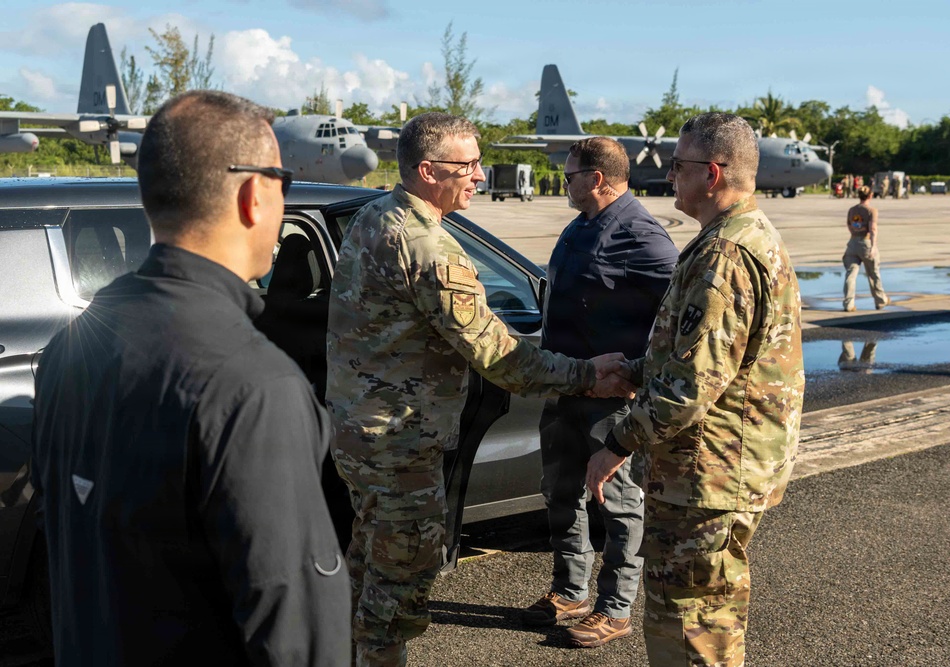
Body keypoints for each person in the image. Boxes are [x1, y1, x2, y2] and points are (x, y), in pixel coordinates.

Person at [31, 90, 351, 666]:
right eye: (285, 179)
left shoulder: (68, 348)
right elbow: (297, 631)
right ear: (255, 194)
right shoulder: (252, 384)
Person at [326, 112, 633, 666]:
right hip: (402, 443)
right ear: (426, 170)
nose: (479, 176)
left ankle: (346, 651)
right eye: (466, 166)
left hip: (359, 432)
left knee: (368, 560)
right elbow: (499, 355)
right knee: (400, 583)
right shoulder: (430, 248)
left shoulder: (374, 215)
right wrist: (589, 374)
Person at [585, 112, 805, 667]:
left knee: (690, 630)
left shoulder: (724, 255)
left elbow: (690, 387)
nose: (669, 178)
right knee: (707, 619)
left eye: (678, 168)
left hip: (707, 474)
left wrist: (616, 445)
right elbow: (712, 359)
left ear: (710, 174)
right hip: (724, 466)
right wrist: (634, 371)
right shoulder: (746, 235)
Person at [522, 137, 678, 647]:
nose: (563, 183)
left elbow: (679, 314)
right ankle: (570, 589)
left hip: (610, 399)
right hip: (566, 387)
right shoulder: (580, 226)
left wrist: (638, 374)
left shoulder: (641, 235)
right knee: (561, 494)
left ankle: (615, 606)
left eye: (569, 176)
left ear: (597, 178)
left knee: (617, 503)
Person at [843, 185, 890, 311]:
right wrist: (873, 246)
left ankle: (849, 304)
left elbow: (849, 224)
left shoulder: (852, 210)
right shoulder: (871, 211)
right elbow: (873, 229)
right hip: (865, 242)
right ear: (870, 196)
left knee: (850, 275)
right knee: (873, 274)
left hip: (852, 243)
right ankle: (880, 300)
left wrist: (855, 233)